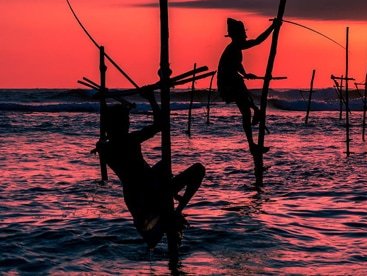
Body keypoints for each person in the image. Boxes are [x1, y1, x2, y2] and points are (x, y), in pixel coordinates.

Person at [95, 103, 205, 248]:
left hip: (138, 200)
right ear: (117, 124)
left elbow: (103, 144)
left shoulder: (105, 149)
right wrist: (152, 100)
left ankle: (171, 215)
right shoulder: (130, 140)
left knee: (164, 167)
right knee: (198, 170)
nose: (128, 124)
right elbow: (160, 124)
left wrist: (100, 143)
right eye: (125, 122)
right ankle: (176, 211)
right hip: (151, 195)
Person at [217, 18, 276, 156]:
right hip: (230, 83)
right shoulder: (234, 47)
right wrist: (272, 27)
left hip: (234, 81)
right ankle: (252, 143)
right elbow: (258, 41)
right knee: (246, 111)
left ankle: (256, 118)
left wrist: (244, 73)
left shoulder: (235, 48)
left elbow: (236, 64)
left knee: (247, 110)